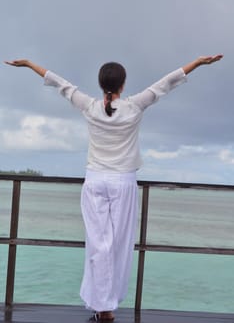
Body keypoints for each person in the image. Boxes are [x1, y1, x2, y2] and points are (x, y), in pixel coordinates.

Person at [5, 54, 223, 321]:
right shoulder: (133, 106)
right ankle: (106, 306)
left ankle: (101, 305)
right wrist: (199, 63)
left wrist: (29, 65)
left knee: (99, 245)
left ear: (101, 84)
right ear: (123, 84)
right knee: (118, 246)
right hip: (123, 183)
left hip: (95, 181)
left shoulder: (90, 106)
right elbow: (167, 82)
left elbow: (60, 84)